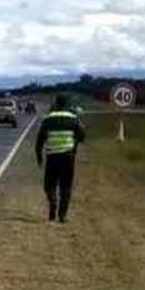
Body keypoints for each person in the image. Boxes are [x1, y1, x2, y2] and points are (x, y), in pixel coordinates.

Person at [35, 94, 87, 223]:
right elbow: (82, 136)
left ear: (56, 104)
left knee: (49, 184)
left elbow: (40, 140)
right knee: (66, 186)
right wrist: (74, 143)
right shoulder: (73, 118)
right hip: (68, 157)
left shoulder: (48, 119)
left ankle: (53, 203)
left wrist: (39, 156)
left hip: (52, 156)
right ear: (67, 105)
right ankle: (62, 216)